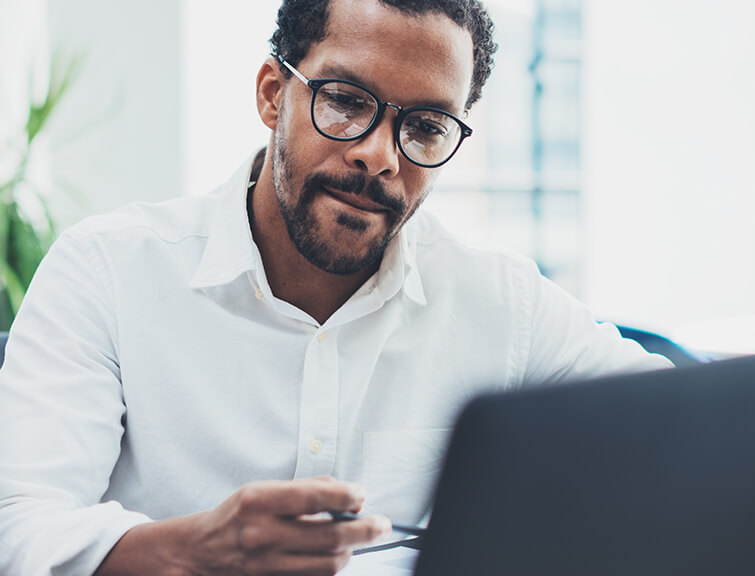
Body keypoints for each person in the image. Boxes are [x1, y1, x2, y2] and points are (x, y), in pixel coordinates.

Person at [0, 0, 669, 573]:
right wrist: (197, 553)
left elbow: (674, 428)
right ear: (272, 93)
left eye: (426, 126)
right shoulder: (108, 270)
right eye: (346, 102)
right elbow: (17, 526)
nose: (380, 155)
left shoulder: (500, 300)